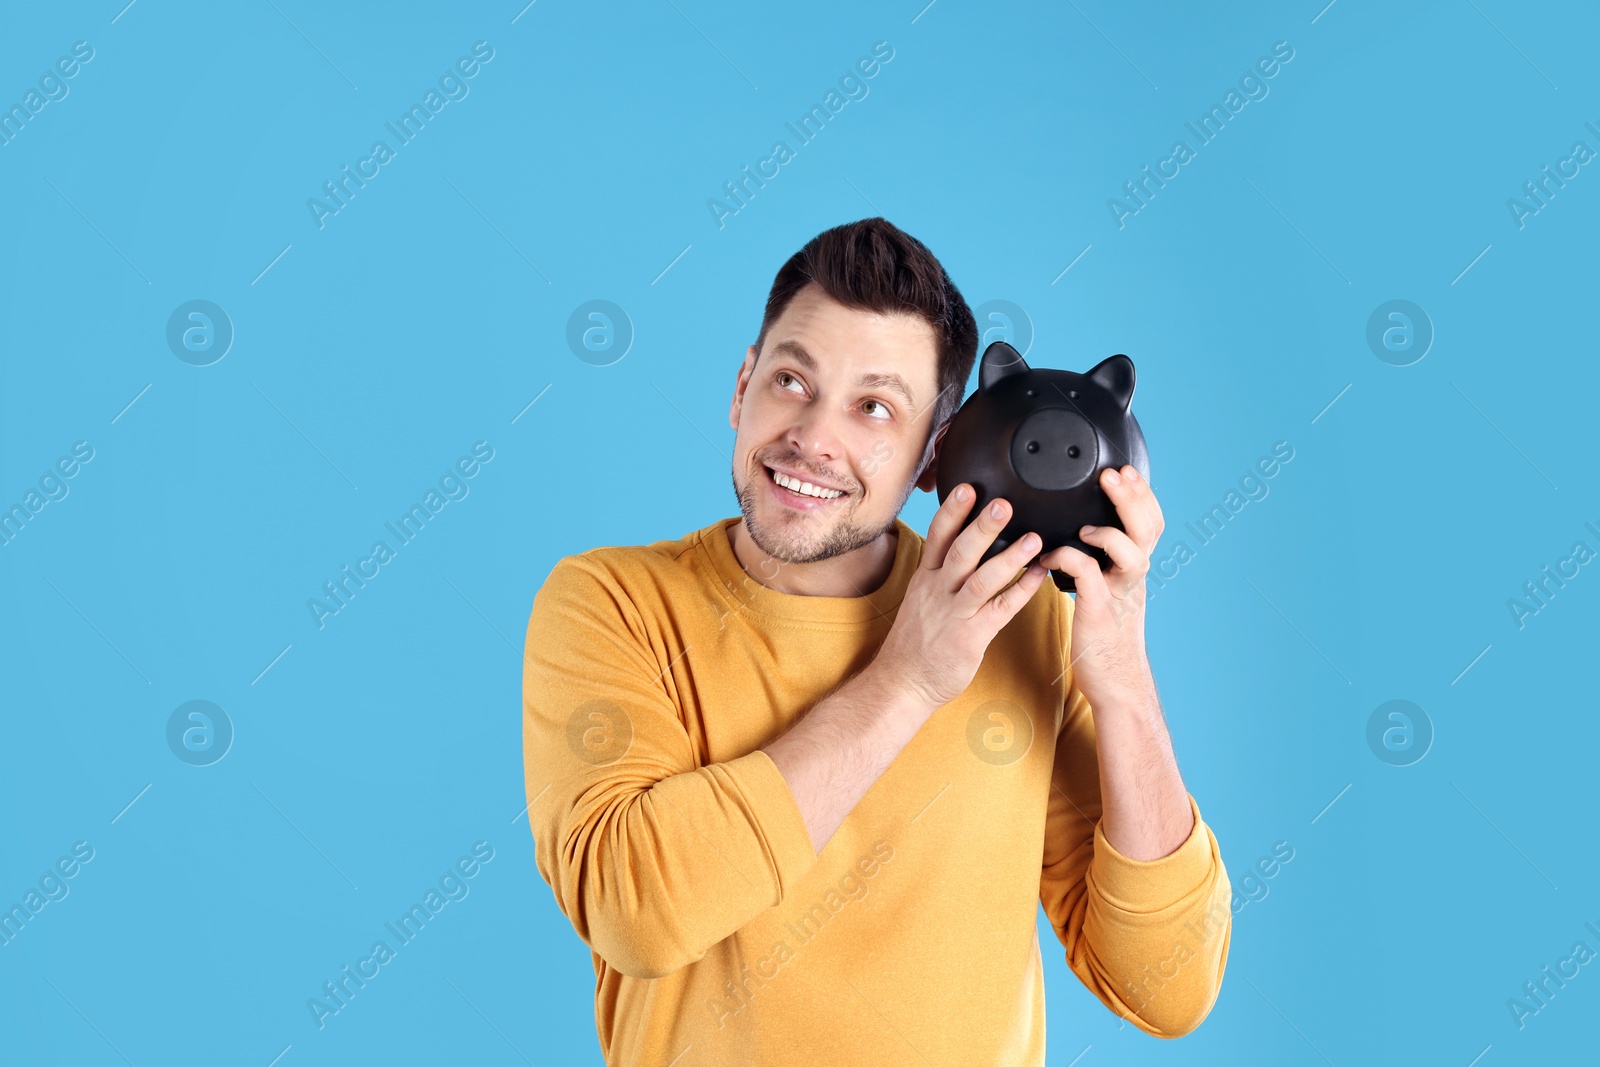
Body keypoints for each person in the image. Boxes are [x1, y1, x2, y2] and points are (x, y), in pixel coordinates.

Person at [522, 217, 1232, 1066]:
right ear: (743, 383)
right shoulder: (614, 603)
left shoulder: (1020, 623)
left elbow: (1167, 984)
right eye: (791, 380)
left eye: (874, 407)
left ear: (937, 451)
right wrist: (907, 681)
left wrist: (1121, 678)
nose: (815, 438)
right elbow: (634, 907)